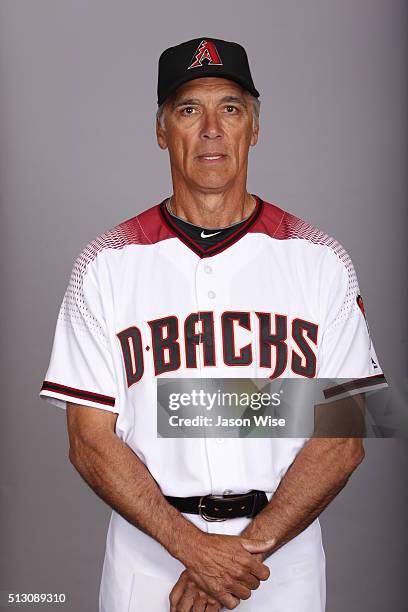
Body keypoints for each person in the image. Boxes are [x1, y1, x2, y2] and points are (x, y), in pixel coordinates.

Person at [39, 37, 387, 611]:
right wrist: (192, 548)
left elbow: (344, 439)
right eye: (187, 109)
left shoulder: (321, 258)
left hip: (281, 560)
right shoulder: (103, 263)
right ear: (161, 130)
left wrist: (238, 553)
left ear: (254, 127)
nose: (210, 129)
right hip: (149, 557)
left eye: (230, 108)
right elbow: (88, 441)